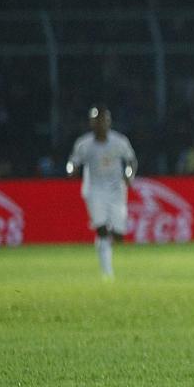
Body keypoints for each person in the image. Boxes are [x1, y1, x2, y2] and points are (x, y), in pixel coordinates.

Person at [66, 105, 137, 280]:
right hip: (94, 190)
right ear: (91, 122)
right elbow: (73, 161)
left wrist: (129, 175)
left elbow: (131, 161)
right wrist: (70, 170)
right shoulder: (84, 144)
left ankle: (107, 244)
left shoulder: (119, 141)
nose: (101, 124)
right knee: (102, 229)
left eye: (104, 120)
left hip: (116, 190)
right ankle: (107, 272)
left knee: (119, 235)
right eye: (97, 120)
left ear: (109, 122)